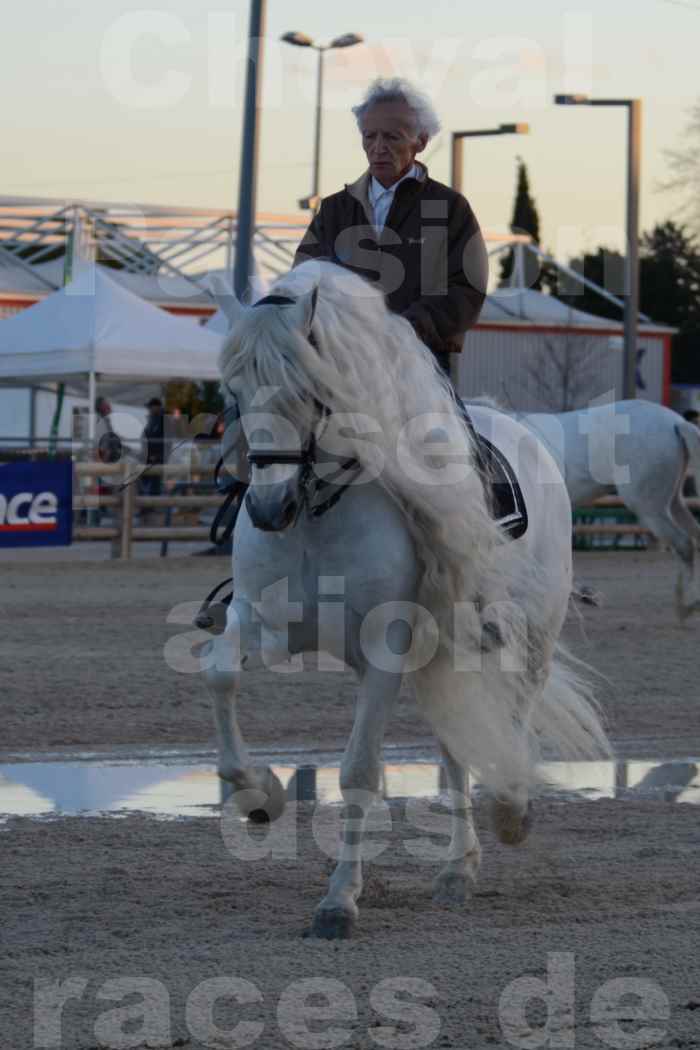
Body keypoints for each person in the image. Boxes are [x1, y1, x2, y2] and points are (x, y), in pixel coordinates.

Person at [293, 77, 488, 377]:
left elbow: (467, 288)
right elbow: (303, 281)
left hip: (420, 368)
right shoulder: (334, 210)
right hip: (341, 366)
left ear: (420, 141)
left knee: (454, 426)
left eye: (392, 137)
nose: (378, 147)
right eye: (370, 136)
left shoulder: (449, 208)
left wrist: (404, 331)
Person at [141, 397, 165, 498]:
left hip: (156, 458)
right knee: (148, 480)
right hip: (149, 457)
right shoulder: (153, 420)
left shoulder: (162, 420)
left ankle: (151, 505)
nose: (149, 409)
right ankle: (148, 504)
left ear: (157, 407)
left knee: (154, 482)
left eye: (151, 407)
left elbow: (165, 440)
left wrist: (157, 455)